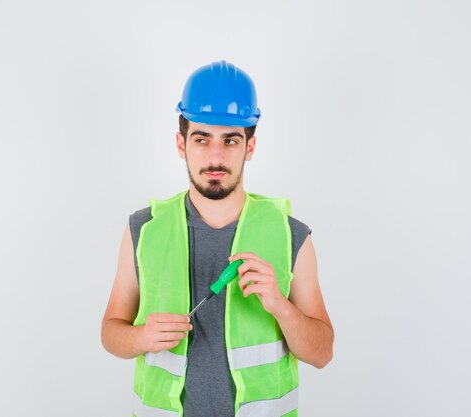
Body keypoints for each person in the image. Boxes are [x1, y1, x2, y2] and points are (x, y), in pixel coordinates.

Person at [101, 60, 334, 417]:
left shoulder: (291, 234)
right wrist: (141, 336)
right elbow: (110, 333)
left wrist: (279, 305)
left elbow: (322, 353)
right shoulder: (143, 229)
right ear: (182, 143)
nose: (215, 156)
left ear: (249, 147)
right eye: (201, 139)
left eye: (230, 140)